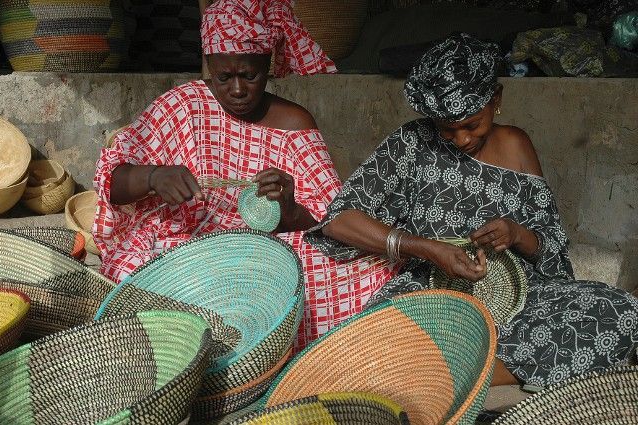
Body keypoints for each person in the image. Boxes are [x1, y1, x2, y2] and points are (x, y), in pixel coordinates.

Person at [305, 33, 638, 387]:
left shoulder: (516, 145)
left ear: (495, 99)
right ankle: (469, 369)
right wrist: (425, 248)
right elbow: (338, 221)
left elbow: (553, 251)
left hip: (520, 298)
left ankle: (456, 377)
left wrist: (517, 234)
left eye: (472, 125)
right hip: (434, 296)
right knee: (376, 342)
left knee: (619, 311)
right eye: (447, 130)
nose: (462, 139)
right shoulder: (412, 143)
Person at [93, 0, 395, 350]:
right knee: (150, 274)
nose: (237, 89)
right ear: (208, 66)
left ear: (267, 65)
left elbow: (331, 218)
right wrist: (153, 176)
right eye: (224, 77)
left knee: (364, 267)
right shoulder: (183, 106)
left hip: (270, 250)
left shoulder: (294, 125)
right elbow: (111, 183)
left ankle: (277, 345)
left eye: (249, 75)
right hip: (191, 244)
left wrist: (289, 209)